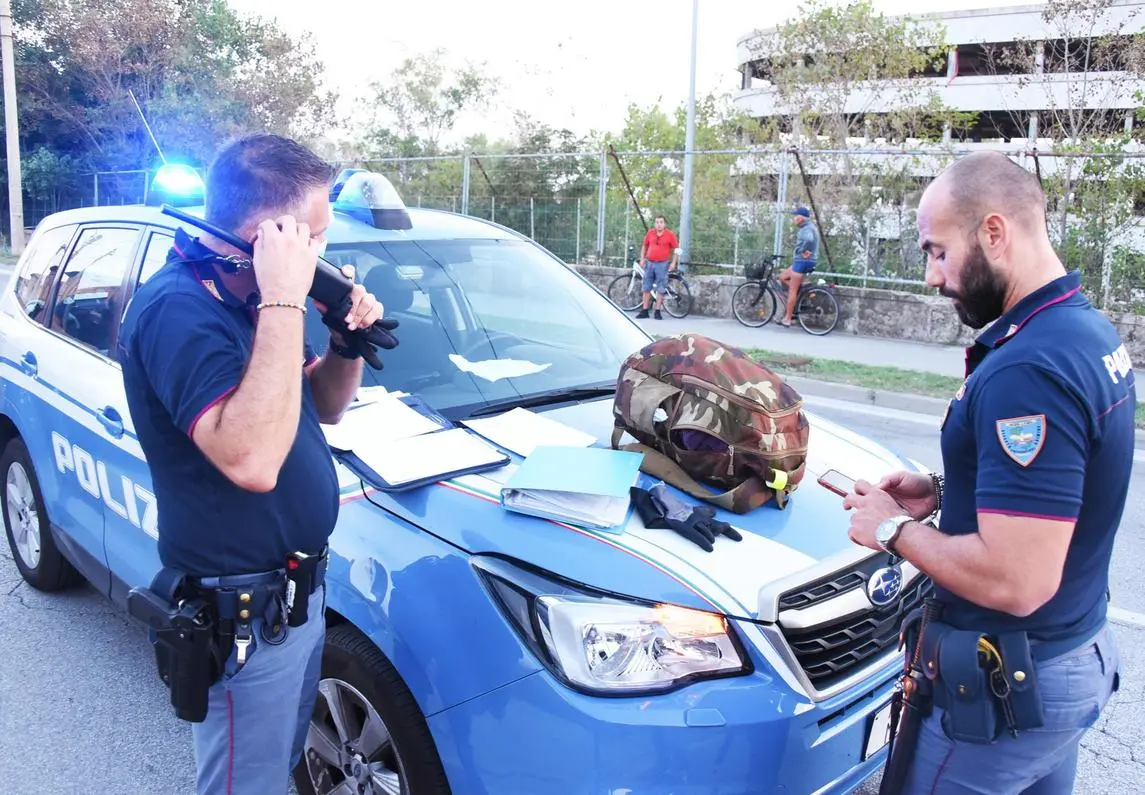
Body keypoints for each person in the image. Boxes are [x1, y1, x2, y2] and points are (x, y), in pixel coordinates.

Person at [842, 150, 1133, 793]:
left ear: (994, 233)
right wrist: (947, 493)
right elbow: (1061, 491)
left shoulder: (1028, 368)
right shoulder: (1084, 332)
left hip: (1009, 686)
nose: (930, 276)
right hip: (1069, 654)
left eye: (937, 251)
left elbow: (1016, 579)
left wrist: (892, 531)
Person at [118, 134, 385, 794]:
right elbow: (250, 460)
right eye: (315, 238)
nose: (325, 255)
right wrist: (286, 299)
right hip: (243, 611)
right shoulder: (179, 311)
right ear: (268, 235)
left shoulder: (255, 300)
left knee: (278, 763)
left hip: (296, 594)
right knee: (245, 783)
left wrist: (344, 343)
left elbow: (320, 408)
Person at [777, 206, 818, 327]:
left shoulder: (806, 229)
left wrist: (803, 250)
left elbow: (809, 240)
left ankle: (788, 319)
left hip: (802, 261)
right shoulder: (810, 227)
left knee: (792, 291)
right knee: (783, 277)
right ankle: (803, 292)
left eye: (796, 216)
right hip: (803, 261)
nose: (794, 219)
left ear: (802, 218)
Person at [636, 214, 680, 319]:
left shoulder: (670, 235)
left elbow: (677, 250)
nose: (659, 224)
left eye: (661, 222)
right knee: (646, 287)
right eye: (657, 222)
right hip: (649, 263)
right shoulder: (650, 233)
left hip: (662, 264)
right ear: (655, 224)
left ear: (664, 224)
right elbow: (644, 246)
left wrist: (673, 263)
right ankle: (645, 310)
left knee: (661, 288)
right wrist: (642, 259)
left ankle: (657, 311)